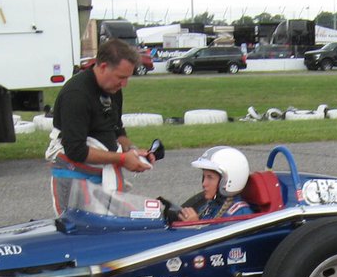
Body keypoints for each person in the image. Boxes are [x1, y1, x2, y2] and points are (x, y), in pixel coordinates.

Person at [48, 38, 157, 214]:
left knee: (110, 227)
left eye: (127, 78)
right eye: (121, 77)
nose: (124, 84)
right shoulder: (76, 95)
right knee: (78, 231)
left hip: (102, 175)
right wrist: (122, 159)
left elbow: (116, 129)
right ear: (103, 66)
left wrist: (133, 151)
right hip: (74, 176)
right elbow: (76, 150)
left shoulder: (113, 90)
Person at [176, 147, 255, 222]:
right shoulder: (211, 205)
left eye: (210, 177)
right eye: (204, 176)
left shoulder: (240, 214)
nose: (204, 184)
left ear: (228, 181)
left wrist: (194, 226)